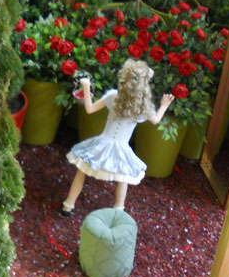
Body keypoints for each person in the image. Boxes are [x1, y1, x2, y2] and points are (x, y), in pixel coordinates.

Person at [61, 59, 174, 215]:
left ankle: (68, 205)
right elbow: (155, 120)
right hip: (121, 149)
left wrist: (86, 87)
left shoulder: (114, 96)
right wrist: (164, 105)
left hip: (102, 144)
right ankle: (118, 209)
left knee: (83, 169)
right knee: (123, 177)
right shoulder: (143, 106)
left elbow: (89, 109)